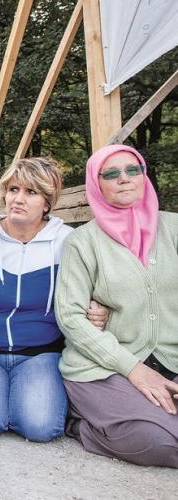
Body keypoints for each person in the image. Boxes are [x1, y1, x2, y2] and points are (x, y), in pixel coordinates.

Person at [57, 144, 178, 468]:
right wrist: (133, 369)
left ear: (144, 175)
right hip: (104, 367)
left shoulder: (175, 228)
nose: (124, 178)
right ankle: (83, 425)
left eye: (132, 170)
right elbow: (70, 317)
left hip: (171, 360)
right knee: (161, 441)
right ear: (97, 184)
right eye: (111, 174)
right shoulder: (83, 242)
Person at [0, 158, 76, 442]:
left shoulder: (67, 241)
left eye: (30, 192)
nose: (17, 199)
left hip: (41, 353)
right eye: (12, 189)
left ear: (47, 202)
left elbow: (89, 291)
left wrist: (98, 307)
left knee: (41, 428)